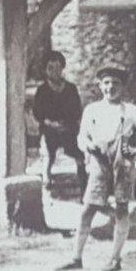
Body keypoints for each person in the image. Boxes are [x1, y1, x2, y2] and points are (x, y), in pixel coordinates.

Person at [57, 66, 136, 271]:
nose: (111, 87)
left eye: (116, 83)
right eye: (107, 83)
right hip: (99, 164)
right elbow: (81, 137)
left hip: (123, 165)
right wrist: (88, 146)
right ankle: (76, 257)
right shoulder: (92, 111)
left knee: (121, 209)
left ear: (123, 87)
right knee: (87, 210)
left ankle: (115, 258)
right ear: (100, 85)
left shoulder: (131, 111)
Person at [31, 50, 87, 193]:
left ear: (62, 68)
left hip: (68, 128)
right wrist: (49, 122)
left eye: (58, 68)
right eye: (50, 68)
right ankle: (46, 181)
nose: (55, 72)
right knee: (48, 153)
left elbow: (76, 109)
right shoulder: (42, 90)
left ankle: (83, 183)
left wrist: (67, 123)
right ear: (45, 70)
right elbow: (38, 112)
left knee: (79, 154)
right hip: (49, 129)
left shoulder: (70, 89)